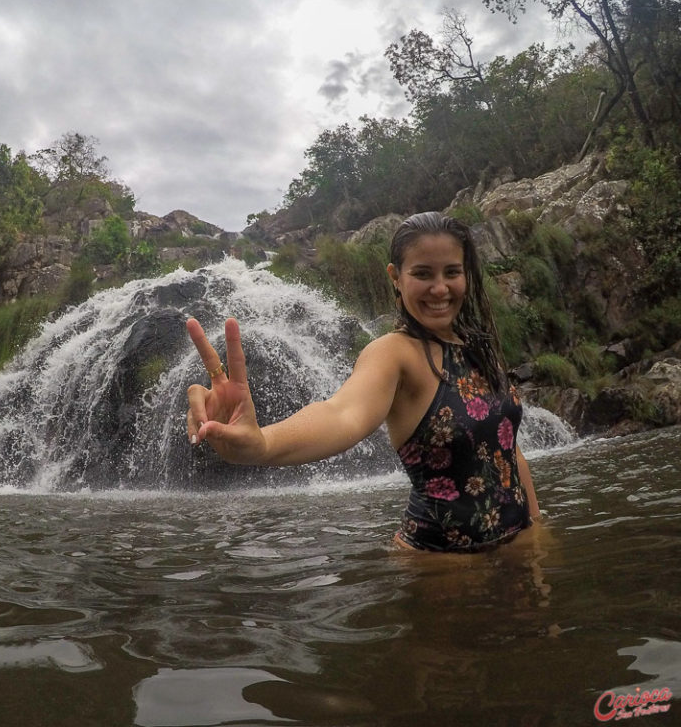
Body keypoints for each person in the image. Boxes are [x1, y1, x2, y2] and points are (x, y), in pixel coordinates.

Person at [185, 211, 540, 552]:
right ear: (395, 277)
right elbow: (341, 414)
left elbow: (509, 449)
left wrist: (537, 531)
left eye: (452, 272)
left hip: (517, 545)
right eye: (422, 273)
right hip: (441, 568)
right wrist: (262, 444)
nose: (439, 288)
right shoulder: (395, 353)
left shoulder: (479, 347)